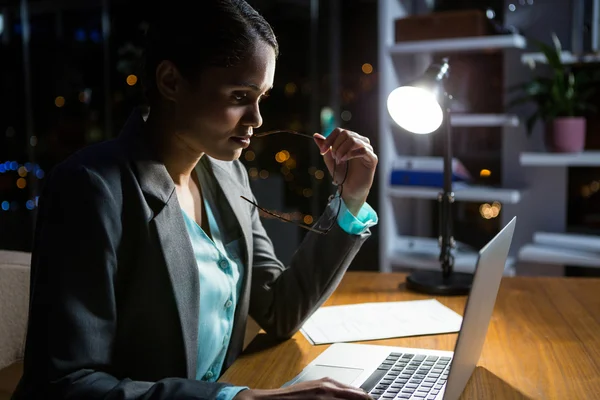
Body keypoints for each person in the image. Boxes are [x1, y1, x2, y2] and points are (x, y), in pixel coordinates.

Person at [13, 1, 379, 399]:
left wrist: (350, 198)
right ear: (171, 81)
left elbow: (279, 309)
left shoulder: (227, 174)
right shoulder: (90, 189)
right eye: (240, 95)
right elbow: (65, 385)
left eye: (262, 98)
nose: (256, 119)